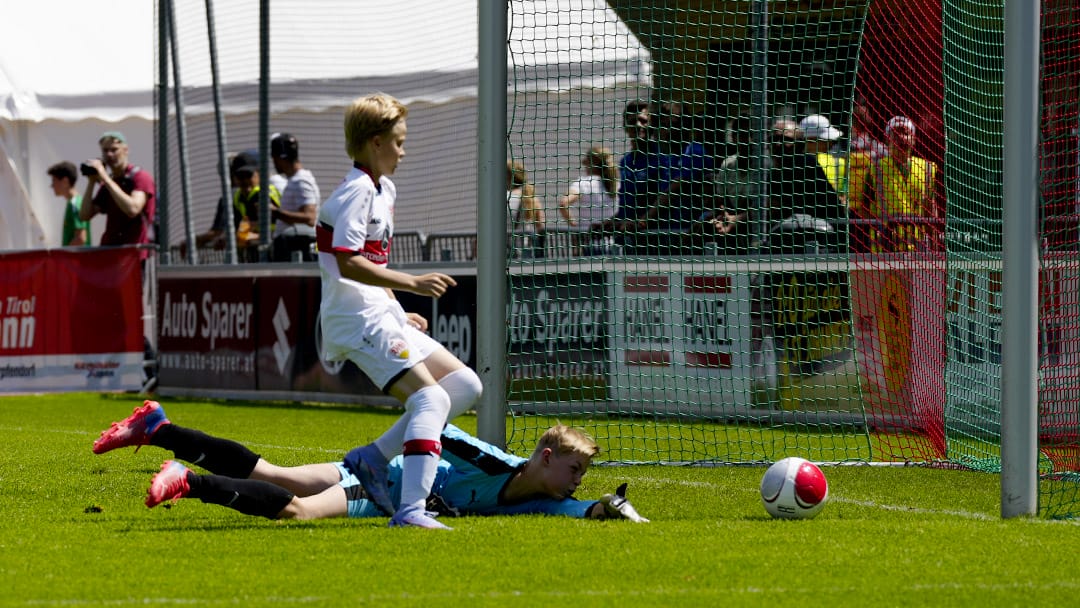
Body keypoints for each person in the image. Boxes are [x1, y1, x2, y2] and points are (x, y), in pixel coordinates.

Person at [315, 92, 484, 529]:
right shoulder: (355, 191)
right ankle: (410, 511)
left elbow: (374, 260)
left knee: (464, 385)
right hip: (355, 318)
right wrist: (413, 283)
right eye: (398, 142)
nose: (403, 152)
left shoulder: (383, 188)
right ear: (375, 142)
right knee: (431, 397)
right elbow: (349, 262)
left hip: (378, 312)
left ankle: (372, 459)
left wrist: (397, 306)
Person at [91, 400, 648, 524]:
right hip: (387, 484)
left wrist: (612, 508)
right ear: (545, 458)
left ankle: (158, 429)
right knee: (300, 511)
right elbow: (432, 424)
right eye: (575, 470)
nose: (577, 482)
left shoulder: (545, 500)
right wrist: (390, 468)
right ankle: (190, 481)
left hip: (386, 476)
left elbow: (589, 511)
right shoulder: (495, 462)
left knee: (274, 476)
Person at [853, 115, 939, 252]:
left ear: (913, 139)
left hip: (918, 246)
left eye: (905, 133)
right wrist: (879, 229)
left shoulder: (927, 169)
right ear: (887, 139)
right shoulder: (876, 169)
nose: (901, 137)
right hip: (886, 246)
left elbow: (931, 211)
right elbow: (864, 209)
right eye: (896, 133)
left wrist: (934, 247)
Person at [79, 131, 156, 259]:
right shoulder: (109, 183)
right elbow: (84, 215)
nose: (110, 154)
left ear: (126, 150)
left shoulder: (140, 177)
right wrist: (91, 182)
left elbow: (133, 209)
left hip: (135, 256)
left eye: (114, 150)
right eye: (105, 150)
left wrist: (105, 177)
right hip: (111, 254)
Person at [196, 151, 282, 255]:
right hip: (257, 250)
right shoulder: (238, 197)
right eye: (240, 176)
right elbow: (237, 227)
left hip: (275, 246)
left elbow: (254, 225)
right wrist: (225, 238)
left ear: (258, 174)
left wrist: (233, 238)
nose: (245, 180)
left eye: (248, 175)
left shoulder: (262, 194)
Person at [557, 145, 617, 255]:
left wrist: (574, 225)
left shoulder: (584, 183)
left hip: (591, 243)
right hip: (613, 244)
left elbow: (563, 203)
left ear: (591, 163)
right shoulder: (615, 184)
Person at [269, 133, 320, 262]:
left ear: (280, 158)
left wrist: (274, 211)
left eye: (274, 158)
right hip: (290, 250)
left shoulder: (301, 181)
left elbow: (310, 217)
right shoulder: (295, 180)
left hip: (296, 253)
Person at [507, 160, 546, 258]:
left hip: (503, 251)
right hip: (526, 253)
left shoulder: (500, 198)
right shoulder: (531, 197)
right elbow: (541, 227)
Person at [48, 161, 89, 247]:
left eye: (54, 181)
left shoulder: (75, 204)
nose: (51, 185)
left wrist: (63, 254)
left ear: (65, 181)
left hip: (78, 256)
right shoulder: (73, 202)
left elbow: (81, 238)